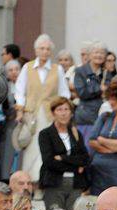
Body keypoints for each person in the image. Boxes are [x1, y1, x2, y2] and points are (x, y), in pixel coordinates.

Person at [15, 34, 71, 182]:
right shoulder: (27, 67)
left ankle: (44, 181)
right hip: (31, 114)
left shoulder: (57, 69)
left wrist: (62, 111)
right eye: (42, 48)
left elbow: (64, 93)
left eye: (47, 49)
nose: (45, 51)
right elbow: (19, 90)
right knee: (31, 149)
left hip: (50, 115)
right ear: (36, 50)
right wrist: (20, 110)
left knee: (47, 147)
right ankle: (29, 181)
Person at [38, 96, 88, 210]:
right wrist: (75, 166)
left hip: (75, 183)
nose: (63, 113)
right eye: (60, 109)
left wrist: (62, 157)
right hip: (54, 182)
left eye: (66, 109)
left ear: (71, 113)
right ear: (53, 113)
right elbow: (49, 161)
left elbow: (84, 159)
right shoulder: (45, 134)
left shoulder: (76, 133)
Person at [73, 41, 111, 144]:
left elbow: (109, 91)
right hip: (85, 117)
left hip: (103, 116)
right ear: (89, 55)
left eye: (102, 53)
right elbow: (82, 92)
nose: (98, 55)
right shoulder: (80, 71)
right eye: (96, 52)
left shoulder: (107, 72)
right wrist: (99, 88)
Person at [0, 59, 22, 179]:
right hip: (9, 122)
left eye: (16, 69)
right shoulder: (5, 87)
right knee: (9, 150)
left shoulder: (25, 85)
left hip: (23, 122)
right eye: (11, 70)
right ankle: (7, 176)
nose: (14, 72)